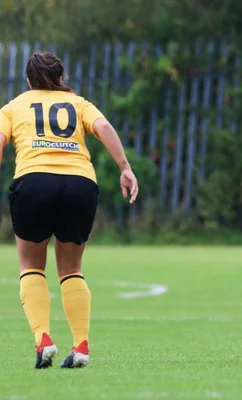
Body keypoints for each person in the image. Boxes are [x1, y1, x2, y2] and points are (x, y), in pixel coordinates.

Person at [0, 51, 139, 369]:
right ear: (61, 79)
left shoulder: (14, 106)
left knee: (31, 264)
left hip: (33, 183)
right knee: (72, 268)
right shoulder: (79, 104)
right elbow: (103, 126)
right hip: (79, 184)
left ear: (28, 80)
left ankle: (43, 339)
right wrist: (125, 168)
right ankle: (81, 346)